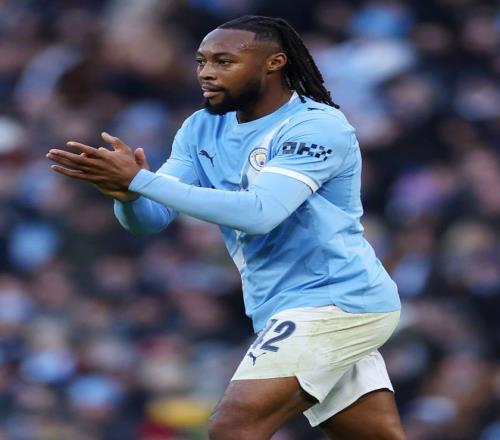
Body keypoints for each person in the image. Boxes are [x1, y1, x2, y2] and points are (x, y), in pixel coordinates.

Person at [47, 15, 405, 440]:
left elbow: (261, 212)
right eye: (201, 62)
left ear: (274, 63)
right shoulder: (202, 127)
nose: (206, 73)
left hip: (337, 300)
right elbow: (151, 219)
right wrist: (126, 196)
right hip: (278, 305)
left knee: (234, 425)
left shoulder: (316, 126)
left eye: (224, 61)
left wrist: (141, 181)